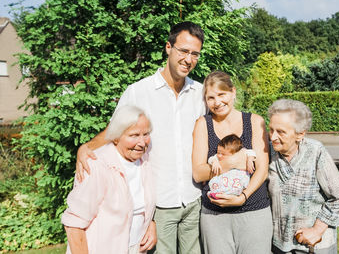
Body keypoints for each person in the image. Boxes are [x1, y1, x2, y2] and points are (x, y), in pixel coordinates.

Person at [75, 21, 205, 254]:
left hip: (194, 199)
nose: (188, 59)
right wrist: (87, 147)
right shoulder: (139, 92)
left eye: (195, 54)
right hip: (159, 204)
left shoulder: (200, 93)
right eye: (183, 51)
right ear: (168, 47)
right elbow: (115, 131)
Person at [192, 70, 272, 254]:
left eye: (222, 94)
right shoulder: (203, 124)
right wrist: (235, 161)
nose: (217, 102)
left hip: (253, 211)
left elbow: (262, 170)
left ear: (233, 92)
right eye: (210, 98)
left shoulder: (254, 122)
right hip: (214, 216)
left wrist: (242, 197)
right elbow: (198, 173)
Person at [62, 105, 156, 254]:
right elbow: (74, 224)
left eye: (146, 134)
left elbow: (138, 207)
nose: (142, 142)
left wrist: (149, 223)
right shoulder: (97, 166)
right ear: (116, 137)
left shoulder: (144, 161)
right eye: (134, 135)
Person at [267, 99, 339, 254]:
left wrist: (317, 229)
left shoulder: (315, 151)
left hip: (313, 245)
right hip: (278, 244)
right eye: (271, 130)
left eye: (281, 132)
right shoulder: (268, 152)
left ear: (300, 134)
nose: (273, 137)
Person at [208, 134, 256, 198]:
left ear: (235, 153)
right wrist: (215, 162)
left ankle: (230, 194)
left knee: (238, 184)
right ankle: (216, 193)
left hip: (238, 180)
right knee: (216, 182)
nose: (219, 155)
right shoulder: (217, 157)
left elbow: (251, 152)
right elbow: (211, 159)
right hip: (226, 180)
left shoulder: (242, 152)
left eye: (223, 154)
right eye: (218, 152)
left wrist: (249, 160)